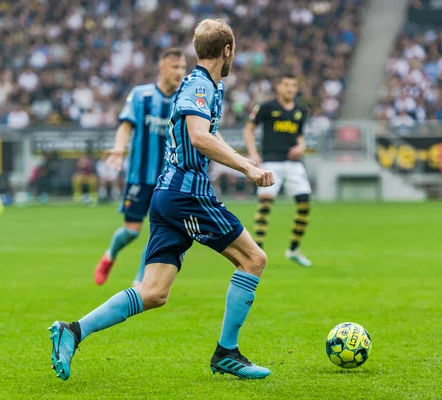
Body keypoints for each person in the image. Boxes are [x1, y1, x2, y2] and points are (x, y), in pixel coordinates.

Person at [48, 18, 274, 381]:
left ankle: (72, 331)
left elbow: (200, 135)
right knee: (253, 259)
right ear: (227, 51)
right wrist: (247, 167)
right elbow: (199, 136)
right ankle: (226, 352)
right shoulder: (200, 86)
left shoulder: (207, 85)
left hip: (169, 195)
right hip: (187, 195)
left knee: (153, 292)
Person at [93, 48, 187, 286]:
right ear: (162, 67)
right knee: (131, 231)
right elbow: (126, 126)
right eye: (175, 67)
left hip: (169, 178)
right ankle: (109, 256)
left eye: (183, 68)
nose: (180, 72)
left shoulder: (184, 98)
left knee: (158, 231)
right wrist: (118, 148)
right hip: (139, 176)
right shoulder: (140, 95)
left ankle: (139, 282)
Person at [243, 73, 312, 267]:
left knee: (305, 203)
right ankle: (256, 250)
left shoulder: (300, 110)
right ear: (278, 87)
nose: (291, 89)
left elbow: (299, 136)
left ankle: (294, 249)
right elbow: (249, 129)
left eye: (294, 85)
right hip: (271, 161)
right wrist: (253, 153)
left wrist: (302, 147)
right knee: (266, 204)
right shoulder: (267, 108)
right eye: (287, 85)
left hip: (293, 164)